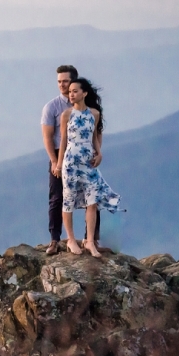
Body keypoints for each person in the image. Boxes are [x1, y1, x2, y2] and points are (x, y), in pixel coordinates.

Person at [55, 77, 122, 257]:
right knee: (68, 200)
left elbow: (94, 138)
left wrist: (99, 153)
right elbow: (63, 140)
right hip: (71, 161)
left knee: (92, 201)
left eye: (75, 91)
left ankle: (90, 241)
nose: (71, 94)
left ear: (84, 93)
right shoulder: (66, 115)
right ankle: (70, 239)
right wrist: (59, 163)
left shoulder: (94, 114)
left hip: (88, 162)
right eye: (70, 92)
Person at [41, 65, 100, 255]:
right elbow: (48, 137)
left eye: (65, 81)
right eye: (59, 81)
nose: (62, 85)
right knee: (58, 198)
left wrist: (98, 152)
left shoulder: (89, 106)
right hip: (61, 155)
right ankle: (55, 240)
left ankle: (91, 239)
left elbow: (97, 131)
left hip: (84, 154)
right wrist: (53, 161)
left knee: (92, 197)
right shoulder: (53, 107)